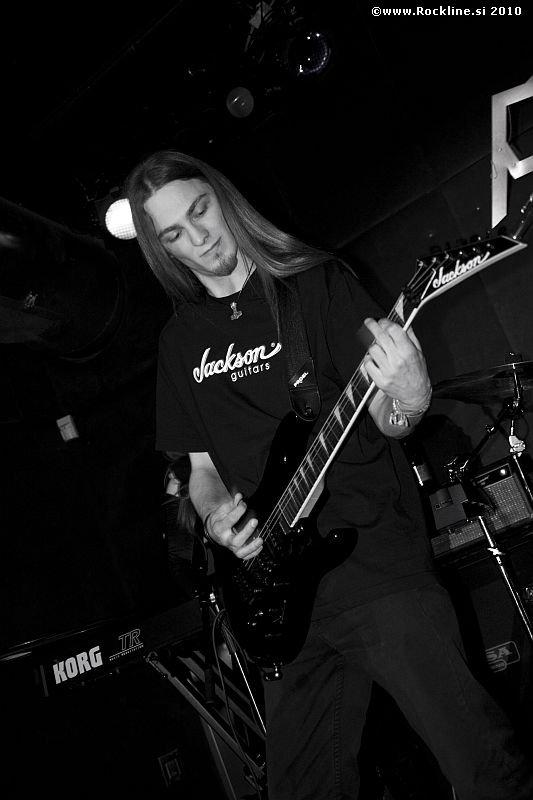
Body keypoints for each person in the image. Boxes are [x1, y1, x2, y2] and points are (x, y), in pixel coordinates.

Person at [125, 149, 533, 800]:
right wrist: (215, 515)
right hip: (277, 600)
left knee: (481, 766)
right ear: (161, 249)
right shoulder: (179, 342)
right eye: (174, 233)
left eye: (200, 211)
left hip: (374, 568)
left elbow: (390, 419)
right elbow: (200, 468)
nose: (197, 239)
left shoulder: (316, 285)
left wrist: (410, 394)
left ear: (224, 199)